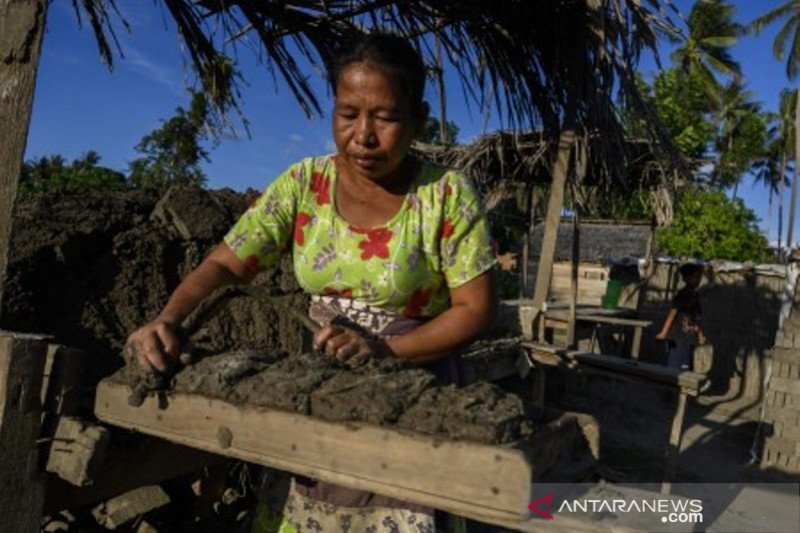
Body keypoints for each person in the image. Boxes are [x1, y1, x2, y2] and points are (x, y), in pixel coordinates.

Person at [126, 32, 497, 532]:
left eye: (384, 118)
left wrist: (386, 353)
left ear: (418, 120)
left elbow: (474, 309)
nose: (363, 135)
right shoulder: (306, 184)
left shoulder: (445, 194)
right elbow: (227, 265)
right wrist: (168, 320)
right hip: (316, 395)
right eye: (348, 114)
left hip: (411, 399)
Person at [655, 263, 707, 371]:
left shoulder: (695, 295)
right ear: (686, 278)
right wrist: (664, 332)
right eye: (695, 276)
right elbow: (672, 313)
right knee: (675, 368)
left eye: (699, 277)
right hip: (677, 337)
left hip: (689, 338)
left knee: (686, 368)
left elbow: (696, 317)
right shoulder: (683, 294)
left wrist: (700, 334)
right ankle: (670, 387)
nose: (698, 279)